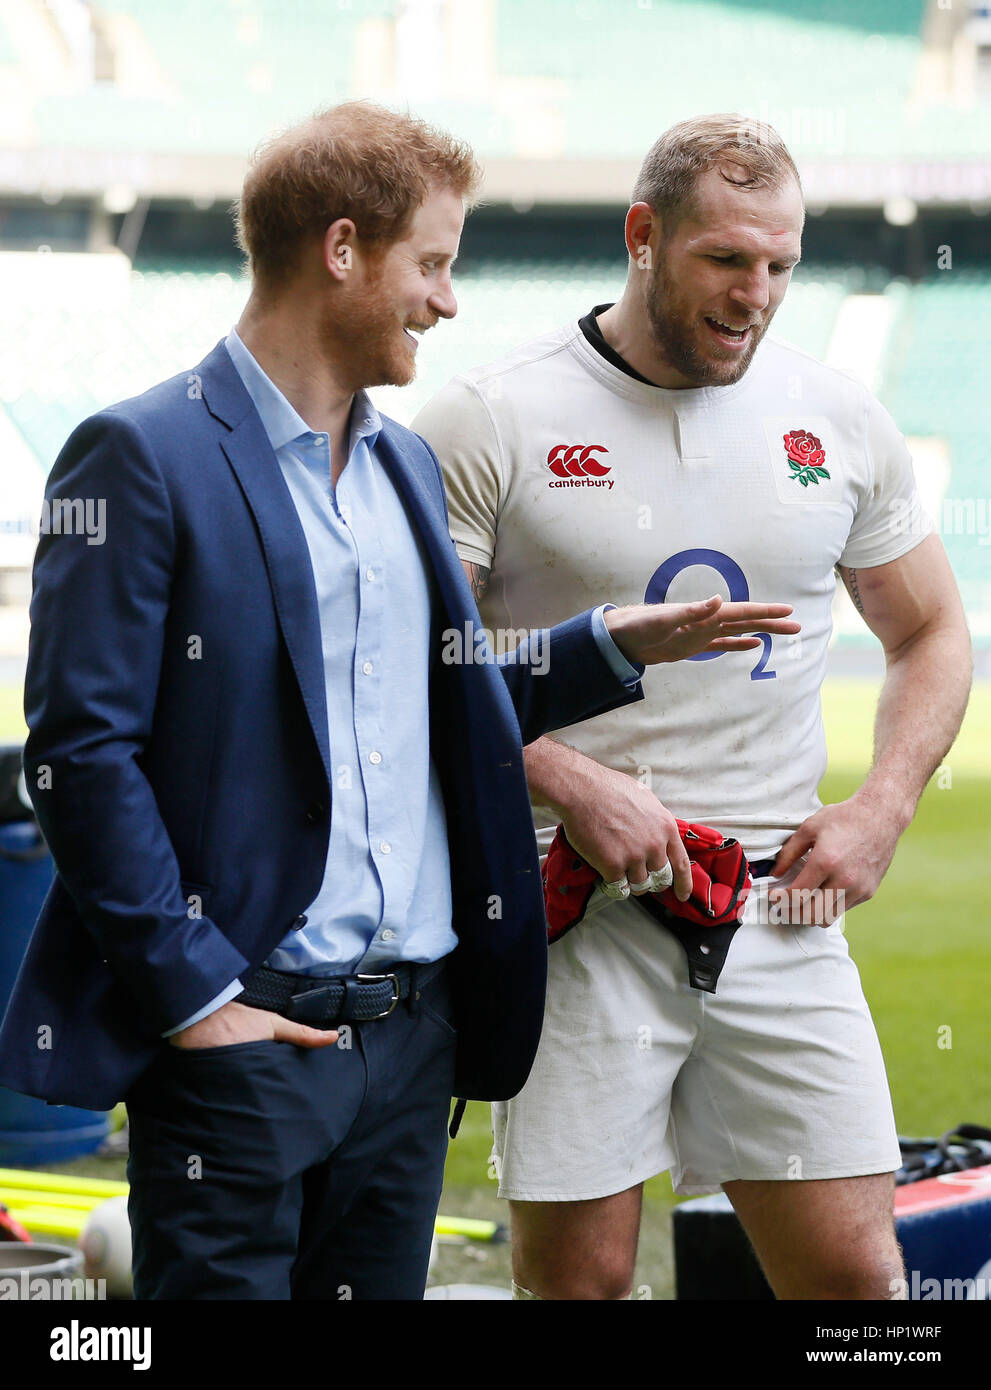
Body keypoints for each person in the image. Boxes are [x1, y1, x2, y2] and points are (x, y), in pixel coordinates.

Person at [0, 103, 799, 1301]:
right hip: (244, 1044)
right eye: (431, 263)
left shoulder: (402, 463)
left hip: (409, 1043)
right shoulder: (140, 454)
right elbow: (81, 753)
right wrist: (194, 996)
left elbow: (441, 698)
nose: (447, 299)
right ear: (341, 252)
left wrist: (602, 646)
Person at [414, 112, 972, 1301]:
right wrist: (567, 778)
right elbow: (422, 656)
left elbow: (929, 629)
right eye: (726, 259)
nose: (755, 292)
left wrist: (881, 805)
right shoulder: (491, 414)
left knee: (855, 1287)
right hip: (574, 908)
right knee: (583, 1288)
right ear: (643, 234)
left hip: (780, 904)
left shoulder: (839, 418)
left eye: (780, 264)